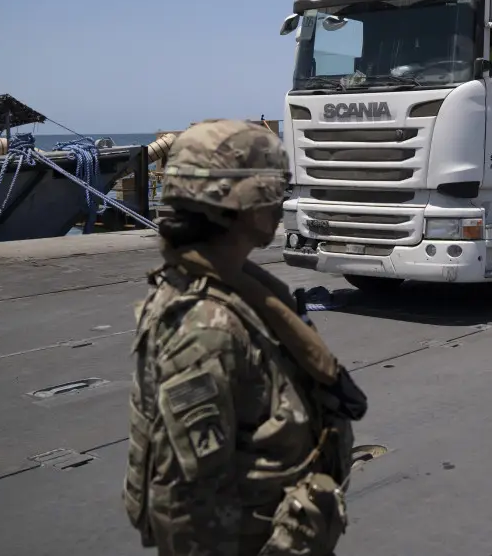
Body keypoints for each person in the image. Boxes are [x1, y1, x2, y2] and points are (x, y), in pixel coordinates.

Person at [124, 119, 367, 556]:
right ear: (231, 202)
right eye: (270, 188)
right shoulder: (205, 327)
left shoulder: (240, 289)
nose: (280, 200)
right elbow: (187, 508)